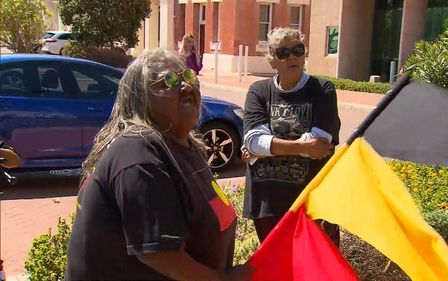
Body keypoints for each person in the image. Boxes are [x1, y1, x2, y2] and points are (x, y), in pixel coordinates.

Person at [65, 49, 252, 280]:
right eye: (169, 81)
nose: (185, 86)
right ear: (139, 98)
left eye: (188, 77)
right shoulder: (138, 153)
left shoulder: (186, 147)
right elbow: (159, 253)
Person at [242, 27, 341, 244]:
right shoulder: (259, 91)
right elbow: (253, 141)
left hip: (312, 206)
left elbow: (319, 143)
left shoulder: (322, 89)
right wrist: (302, 147)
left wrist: (267, 148)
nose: (292, 57)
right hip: (266, 204)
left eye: (298, 50)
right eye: (283, 53)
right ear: (272, 61)